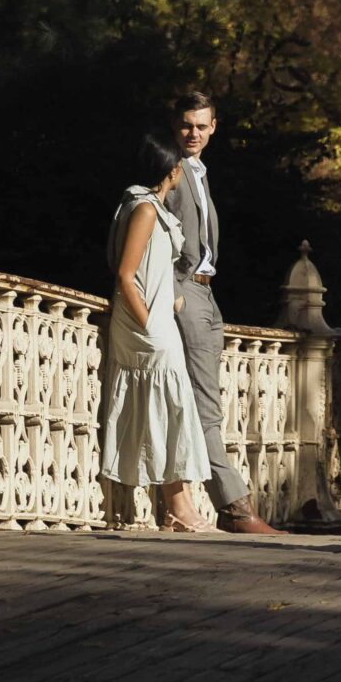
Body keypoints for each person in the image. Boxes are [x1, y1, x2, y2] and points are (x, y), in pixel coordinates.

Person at [170, 87, 281, 535]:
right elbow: (151, 229)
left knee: (206, 403)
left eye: (201, 126)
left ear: (214, 128)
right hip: (186, 294)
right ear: (175, 126)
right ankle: (236, 507)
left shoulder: (199, 172)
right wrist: (175, 291)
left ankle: (220, 503)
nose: (193, 133)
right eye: (186, 125)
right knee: (206, 408)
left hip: (208, 294)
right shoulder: (172, 173)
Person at [100, 132, 212, 531]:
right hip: (145, 327)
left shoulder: (147, 206)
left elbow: (150, 268)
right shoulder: (145, 209)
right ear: (171, 170)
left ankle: (178, 506)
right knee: (169, 406)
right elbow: (127, 275)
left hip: (155, 317)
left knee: (167, 408)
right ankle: (179, 508)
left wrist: (172, 299)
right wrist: (149, 320)